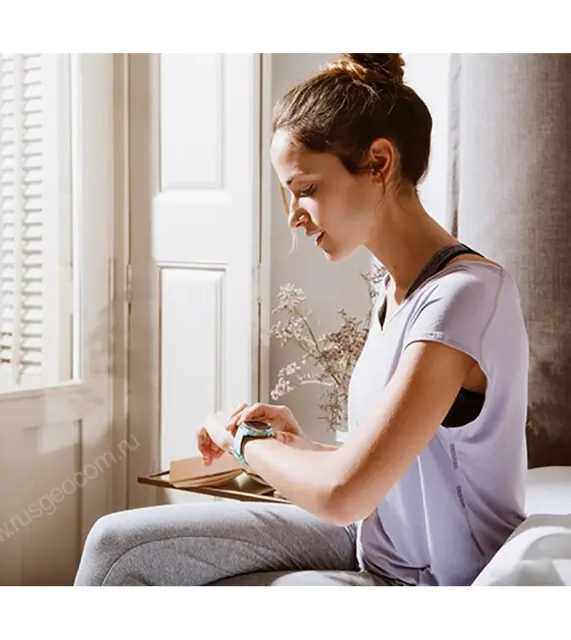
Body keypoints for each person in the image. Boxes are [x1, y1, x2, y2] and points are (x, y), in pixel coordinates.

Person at [74, 53, 529, 587]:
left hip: (428, 582)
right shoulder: (396, 292)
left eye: (306, 189)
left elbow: (344, 495)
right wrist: (302, 446)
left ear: (379, 163)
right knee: (116, 545)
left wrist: (244, 443)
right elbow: (402, 467)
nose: (293, 215)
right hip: (372, 544)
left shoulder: (465, 296)